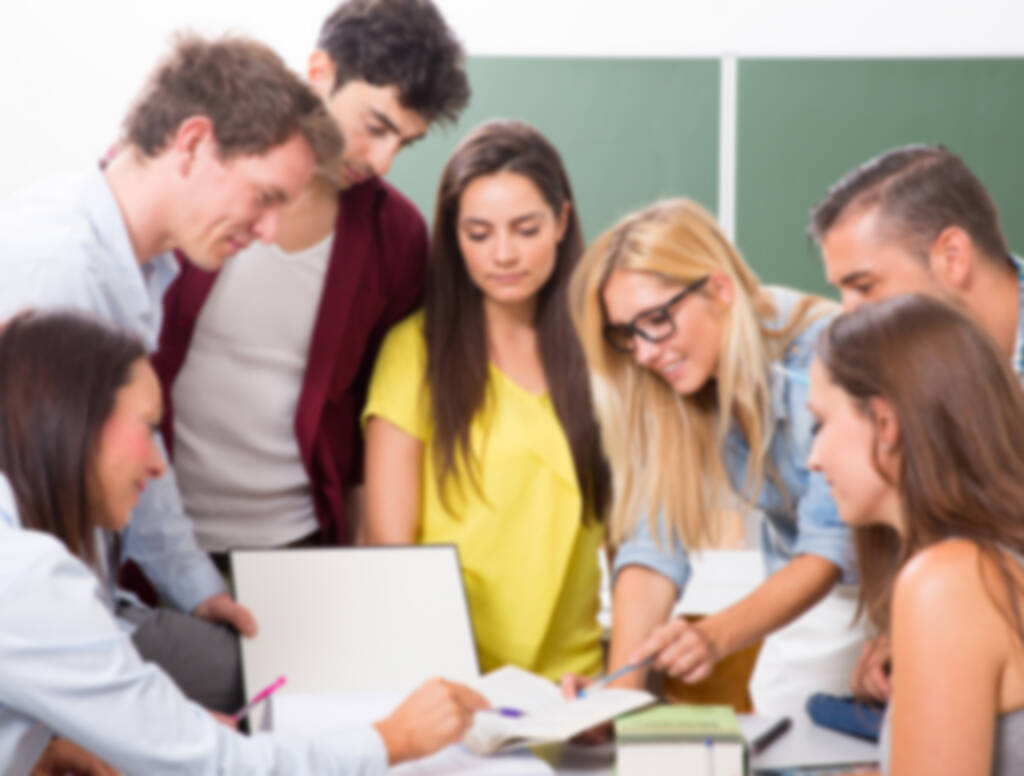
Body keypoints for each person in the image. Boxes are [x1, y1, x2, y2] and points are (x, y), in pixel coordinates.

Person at [0, 34, 341, 712]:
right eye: (264, 197)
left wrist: (197, 590)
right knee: (277, 692)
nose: (270, 232)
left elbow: (134, 449)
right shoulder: (57, 270)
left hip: (94, 605)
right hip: (42, 645)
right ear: (192, 143)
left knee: (280, 671)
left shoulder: (143, 265)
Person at [0, 310, 488, 776]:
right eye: (147, 429)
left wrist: (42, 745)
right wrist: (393, 739)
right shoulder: (30, 578)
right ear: (73, 421)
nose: (158, 464)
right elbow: (217, 766)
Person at [154, 0, 470, 553]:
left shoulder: (395, 237)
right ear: (319, 73)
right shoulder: (197, 174)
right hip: (155, 539)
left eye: (406, 142)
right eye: (375, 126)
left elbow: (373, 431)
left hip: (300, 547)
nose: (384, 161)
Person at [566, 198, 863, 713]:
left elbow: (830, 547)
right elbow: (654, 544)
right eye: (626, 334)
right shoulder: (677, 385)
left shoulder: (820, 358)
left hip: (893, 584)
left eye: (656, 320)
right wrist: (616, 697)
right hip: (818, 595)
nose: (645, 353)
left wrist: (715, 636)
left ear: (719, 289)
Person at [361, 119, 611, 681]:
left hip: (574, 687)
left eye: (526, 229)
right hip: (448, 679)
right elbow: (391, 549)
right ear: (453, 236)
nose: (503, 254)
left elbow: (634, 541)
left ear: (562, 222)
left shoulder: (606, 355)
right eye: (478, 234)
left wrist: (616, 683)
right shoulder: (414, 353)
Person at [809, 144, 1023, 700]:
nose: (850, 316)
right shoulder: (921, 385)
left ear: (952, 256)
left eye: (864, 287)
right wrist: (922, 637)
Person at [807, 294, 1024, 775]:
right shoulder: (988, 563)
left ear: (886, 424)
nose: (813, 457)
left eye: (820, 423)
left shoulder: (950, 582)